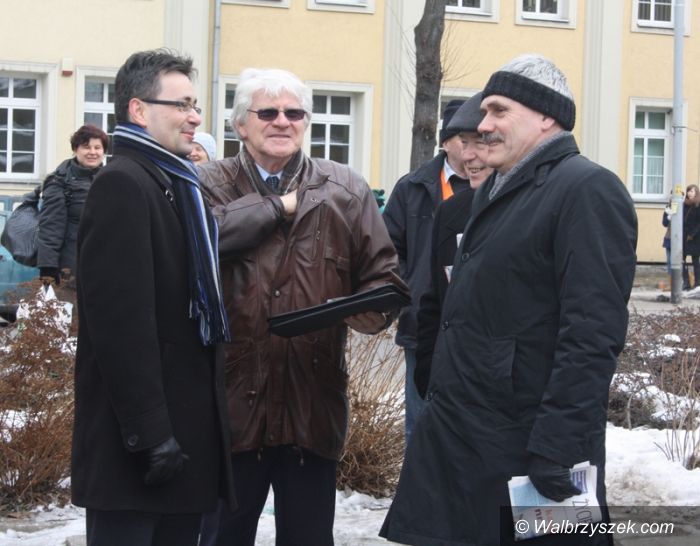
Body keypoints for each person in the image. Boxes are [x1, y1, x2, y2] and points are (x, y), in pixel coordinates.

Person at [380, 54, 638, 546]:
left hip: (532, 445)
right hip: (466, 436)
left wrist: (560, 442)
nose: (484, 125)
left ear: (546, 116)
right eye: (484, 112)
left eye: (499, 110)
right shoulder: (495, 190)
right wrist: (437, 382)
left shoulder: (586, 189)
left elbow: (592, 333)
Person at [197, 68, 406, 546]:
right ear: (240, 124)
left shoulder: (345, 189)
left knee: (309, 537)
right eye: (268, 112)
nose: (282, 121)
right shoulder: (206, 183)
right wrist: (276, 207)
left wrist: (368, 309)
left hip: (311, 402)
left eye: (294, 113)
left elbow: (384, 273)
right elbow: (198, 242)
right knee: (221, 536)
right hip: (230, 405)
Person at [72, 49, 234, 546]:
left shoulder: (173, 182)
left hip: (178, 443)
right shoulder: (123, 184)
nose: (195, 117)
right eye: (182, 105)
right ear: (139, 110)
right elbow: (119, 326)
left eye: (195, 105)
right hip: (141, 453)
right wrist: (151, 434)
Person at [382, 98, 474, 444]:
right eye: (464, 140)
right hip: (423, 321)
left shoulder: (492, 185)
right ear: (445, 141)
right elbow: (389, 248)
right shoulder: (413, 187)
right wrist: (410, 291)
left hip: (475, 325)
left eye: (481, 139)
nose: (472, 151)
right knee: (420, 422)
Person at [413, 92, 493, 398]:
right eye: (464, 142)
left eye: (480, 143)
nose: (467, 156)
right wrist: (427, 375)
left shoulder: (534, 209)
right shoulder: (451, 212)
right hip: (448, 389)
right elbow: (434, 303)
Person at [37, 124, 108, 287]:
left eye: (97, 147)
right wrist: (48, 267)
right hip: (71, 267)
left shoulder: (111, 178)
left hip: (105, 265)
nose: (92, 152)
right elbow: (51, 227)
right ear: (76, 149)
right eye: (86, 147)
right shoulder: (59, 181)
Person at [682, 184, 700, 290]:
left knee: (695, 260)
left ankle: (697, 283)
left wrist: (692, 234)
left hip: (695, 237)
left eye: (692, 191)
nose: (689, 193)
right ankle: (686, 282)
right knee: (681, 259)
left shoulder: (698, 205)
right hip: (684, 235)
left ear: (696, 193)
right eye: (688, 191)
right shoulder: (684, 204)